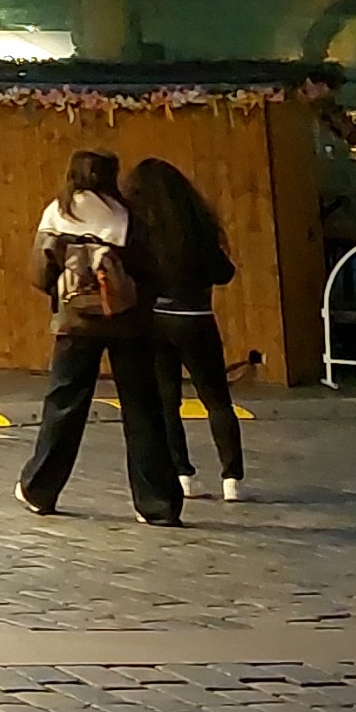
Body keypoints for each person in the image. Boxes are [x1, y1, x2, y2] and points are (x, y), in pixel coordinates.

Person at [18, 151, 183, 525]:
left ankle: (40, 489)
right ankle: (157, 504)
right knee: (143, 409)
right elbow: (154, 272)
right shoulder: (128, 217)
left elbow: (39, 274)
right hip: (128, 323)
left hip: (75, 324)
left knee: (64, 405)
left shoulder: (57, 215)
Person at [118, 152, 244, 504]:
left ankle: (182, 473)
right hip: (197, 319)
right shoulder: (195, 226)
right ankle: (232, 478)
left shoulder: (136, 228)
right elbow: (225, 273)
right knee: (217, 399)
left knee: (166, 401)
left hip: (155, 321)